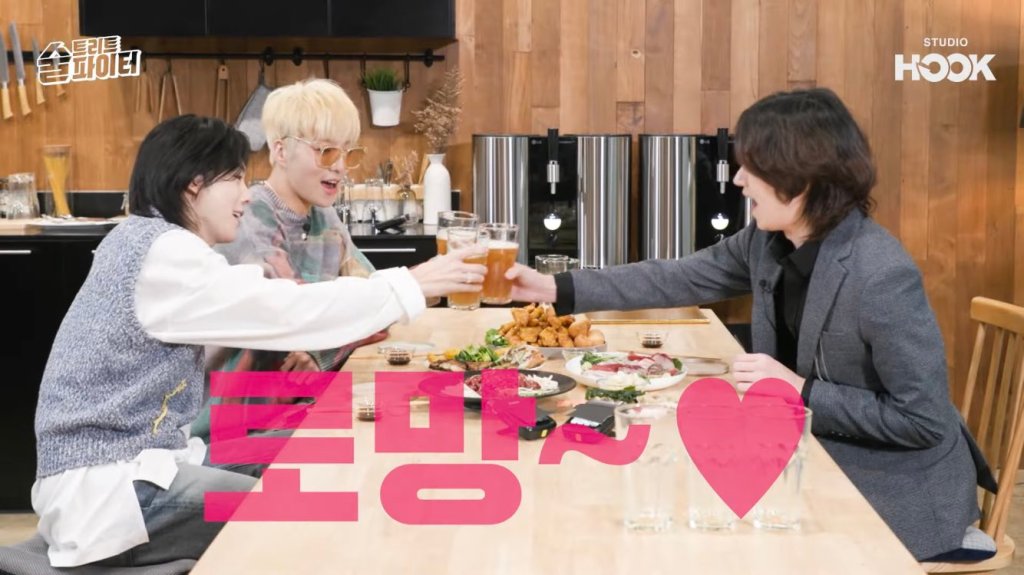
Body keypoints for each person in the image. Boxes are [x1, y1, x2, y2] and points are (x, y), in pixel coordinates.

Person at [506, 88, 996, 561]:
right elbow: (677, 277)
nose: (738, 180)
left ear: (800, 178)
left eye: (752, 167)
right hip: (802, 452)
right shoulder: (768, 241)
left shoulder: (880, 274)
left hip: (889, 489)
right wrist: (551, 289)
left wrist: (799, 391)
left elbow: (922, 421)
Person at [31, 114, 486, 568]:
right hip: (110, 491)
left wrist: (404, 288)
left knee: (321, 444)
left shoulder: (149, 241)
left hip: (155, 462)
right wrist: (411, 283)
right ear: (194, 184)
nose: (246, 195)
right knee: (305, 515)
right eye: (234, 178)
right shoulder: (163, 253)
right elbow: (287, 311)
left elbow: (285, 307)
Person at [191, 78, 383, 441]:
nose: (341, 167)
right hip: (230, 431)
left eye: (348, 153)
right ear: (280, 152)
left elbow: (378, 301)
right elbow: (295, 322)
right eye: (326, 151)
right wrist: (333, 333)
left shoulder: (324, 217)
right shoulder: (248, 222)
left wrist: (321, 351)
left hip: (294, 410)